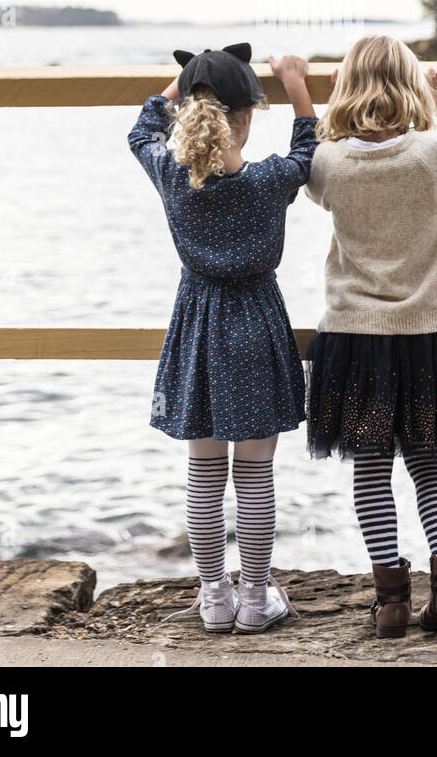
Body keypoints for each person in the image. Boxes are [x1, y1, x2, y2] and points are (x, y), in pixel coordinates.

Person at [304, 35, 437, 638]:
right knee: (429, 462)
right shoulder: (432, 150)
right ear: (414, 86)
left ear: (346, 88)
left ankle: (390, 601)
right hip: (424, 337)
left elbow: (316, 190)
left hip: (354, 338)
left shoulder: (329, 161)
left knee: (370, 470)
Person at [128, 44, 316, 634]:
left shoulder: (170, 174)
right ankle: (256, 600)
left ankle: (214, 597)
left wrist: (180, 83)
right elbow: (308, 143)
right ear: (250, 114)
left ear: (186, 110)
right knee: (256, 474)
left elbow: (140, 130)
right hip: (256, 325)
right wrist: (295, 80)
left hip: (198, 327)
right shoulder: (269, 181)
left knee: (204, 472)